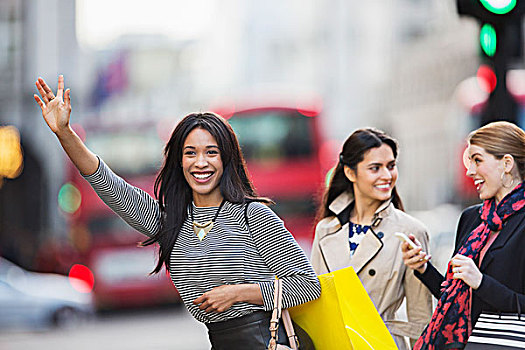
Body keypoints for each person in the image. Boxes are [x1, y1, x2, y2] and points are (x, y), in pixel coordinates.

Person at [34, 75, 320, 349]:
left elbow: (308, 286)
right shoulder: (170, 221)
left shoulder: (252, 215)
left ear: (226, 159)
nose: (201, 163)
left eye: (211, 152)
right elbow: (107, 183)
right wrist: (65, 133)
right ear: (179, 162)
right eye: (190, 153)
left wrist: (239, 293)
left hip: (268, 341)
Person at [402, 121, 525, 350]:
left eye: (477, 160)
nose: (469, 171)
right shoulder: (471, 219)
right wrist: (423, 268)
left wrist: (481, 282)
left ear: (507, 163)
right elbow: (453, 296)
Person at [310, 128, 433, 349]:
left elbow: (420, 319)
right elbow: (316, 304)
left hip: (382, 343)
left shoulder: (410, 231)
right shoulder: (326, 230)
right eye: (375, 168)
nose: (387, 176)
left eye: (391, 166)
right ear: (350, 173)